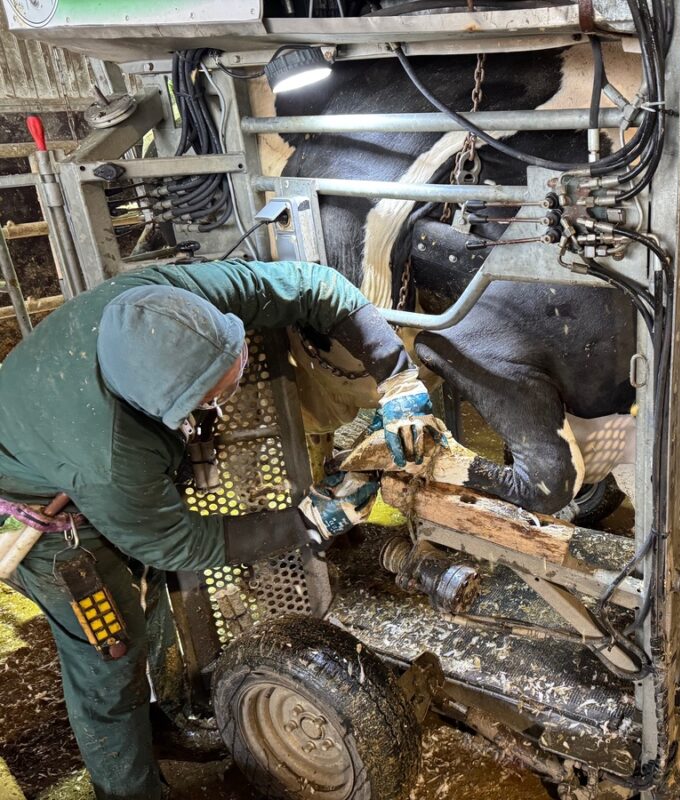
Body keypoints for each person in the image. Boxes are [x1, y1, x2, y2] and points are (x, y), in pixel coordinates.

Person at [0, 258, 442, 799]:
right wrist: (306, 521)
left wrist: (394, 373)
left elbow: (316, 284)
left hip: (82, 460)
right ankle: (128, 788)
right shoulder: (117, 457)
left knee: (153, 606)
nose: (229, 399)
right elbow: (174, 543)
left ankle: (174, 715)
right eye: (215, 398)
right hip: (49, 520)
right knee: (109, 657)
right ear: (168, 408)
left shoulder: (164, 295)